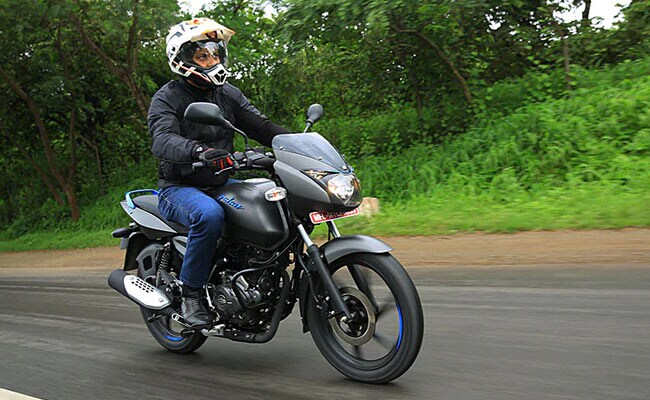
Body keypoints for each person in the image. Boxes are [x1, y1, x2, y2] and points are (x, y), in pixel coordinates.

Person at [148, 18, 289, 328]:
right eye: (202, 56)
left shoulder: (227, 94)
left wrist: (297, 145)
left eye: (215, 53)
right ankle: (192, 294)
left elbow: (261, 126)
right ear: (182, 59)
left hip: (221, 180)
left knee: (274, 201)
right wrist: (200, 151)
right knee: (209, 215)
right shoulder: (167, 97)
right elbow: (162, 139)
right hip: (179, 187)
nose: (212, 60)